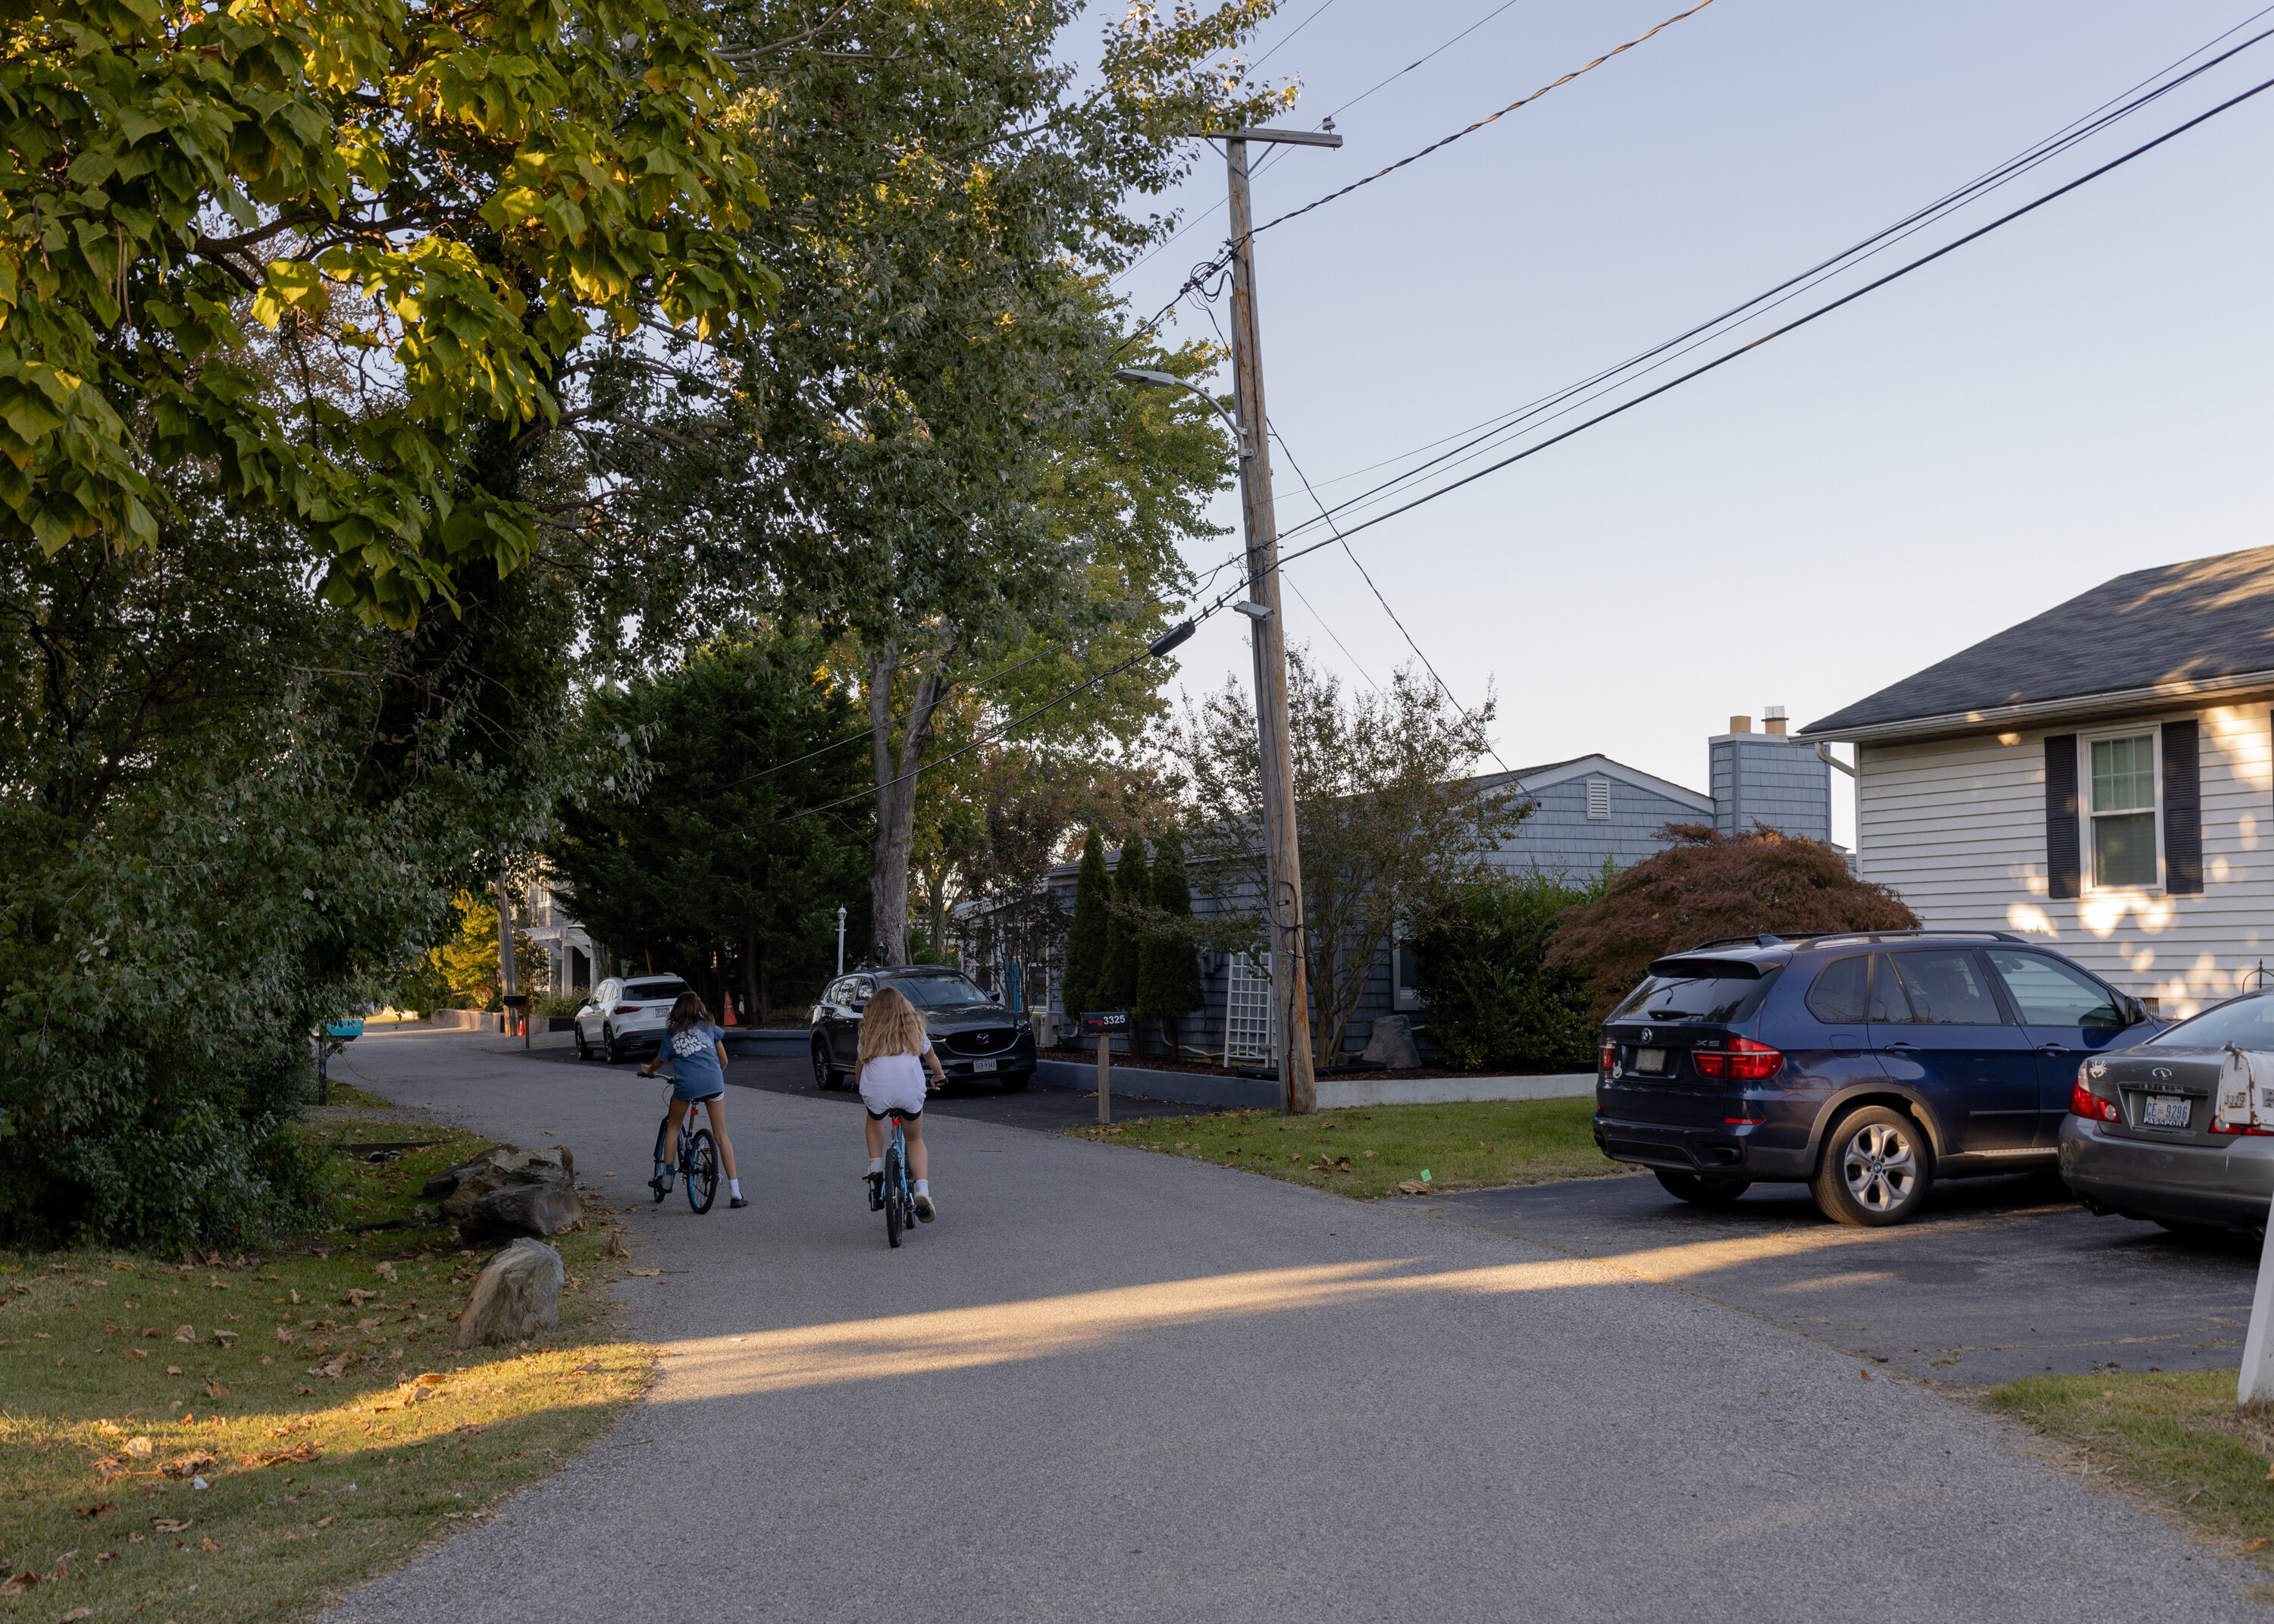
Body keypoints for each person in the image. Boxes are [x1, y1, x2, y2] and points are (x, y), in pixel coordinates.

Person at [639, 993, 744, 1209]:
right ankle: (736, 1193)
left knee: (674, 1127)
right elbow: (723, 1060)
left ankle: (667, 1178)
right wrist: (713, 1077)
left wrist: (649, 1070)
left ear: (677, 1010)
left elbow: (659, 1061)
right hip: (714, 1083)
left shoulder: (670, 1034)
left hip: (686, 1087)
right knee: (721, 1134)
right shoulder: (709, 1027)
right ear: (699, 1007)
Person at [856, 984, 944, 1220]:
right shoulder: (915, 1028)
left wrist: (860, 1084)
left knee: (873, 1118)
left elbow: (860, 1064)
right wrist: (939, 1076)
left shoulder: (868, 1032)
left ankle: (875, 1166)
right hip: (909, 1091)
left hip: (877, 1092)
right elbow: (931, 1057)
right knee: (914, 1139)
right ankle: (923, 1191)